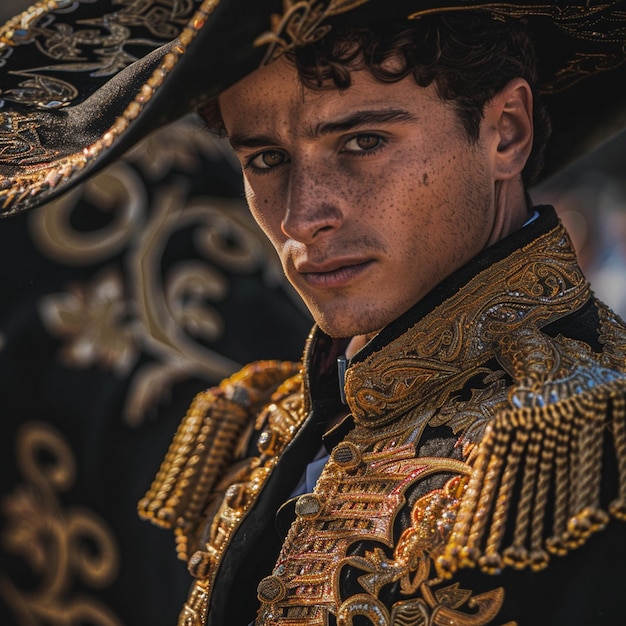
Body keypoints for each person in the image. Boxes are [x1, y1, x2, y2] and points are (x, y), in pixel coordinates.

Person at [2, 1, 626, 625]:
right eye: (266, 160)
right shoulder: (267, 421)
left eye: (362, 142)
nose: (302, 218)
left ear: (505, 132)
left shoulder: (601, 433)